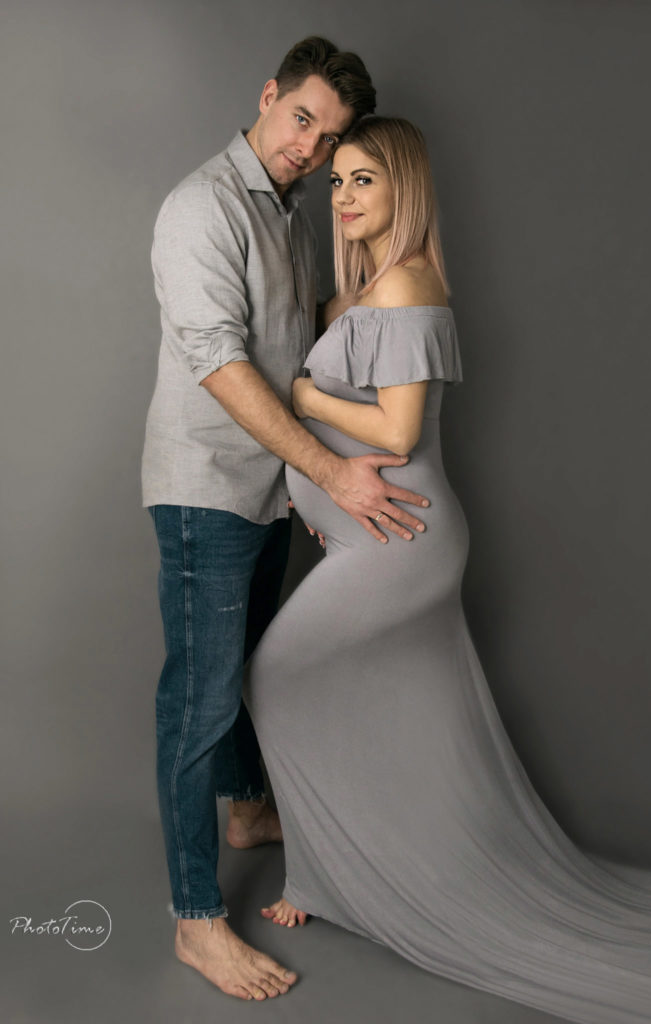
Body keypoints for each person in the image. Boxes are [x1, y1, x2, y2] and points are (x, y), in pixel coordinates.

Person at [246, 116, 651, 1023]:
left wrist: (302, 394)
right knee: (385, 714)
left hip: (401, 542)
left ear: (403, 187)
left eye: (365, 179)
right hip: (374, 537)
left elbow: (398, 430)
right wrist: (319, 492)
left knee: (276, 677)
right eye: (337, 181)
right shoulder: (368, 287)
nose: (345, 197)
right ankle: (329, 875)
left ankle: (330, 876)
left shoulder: (407, 282)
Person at [141, 38, 436, 1003]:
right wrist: (332, 475)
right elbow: (224, 364)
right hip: (206, 490)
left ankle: (245, 812)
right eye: (302, 118)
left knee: (244, 668)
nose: (310, 147)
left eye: (331, 137)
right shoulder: (200, 207)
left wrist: (388, 296)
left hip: (268, 487)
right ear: (268, 96)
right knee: (199, 698)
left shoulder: (289, 211)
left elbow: (292, 336)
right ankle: (196, 920)